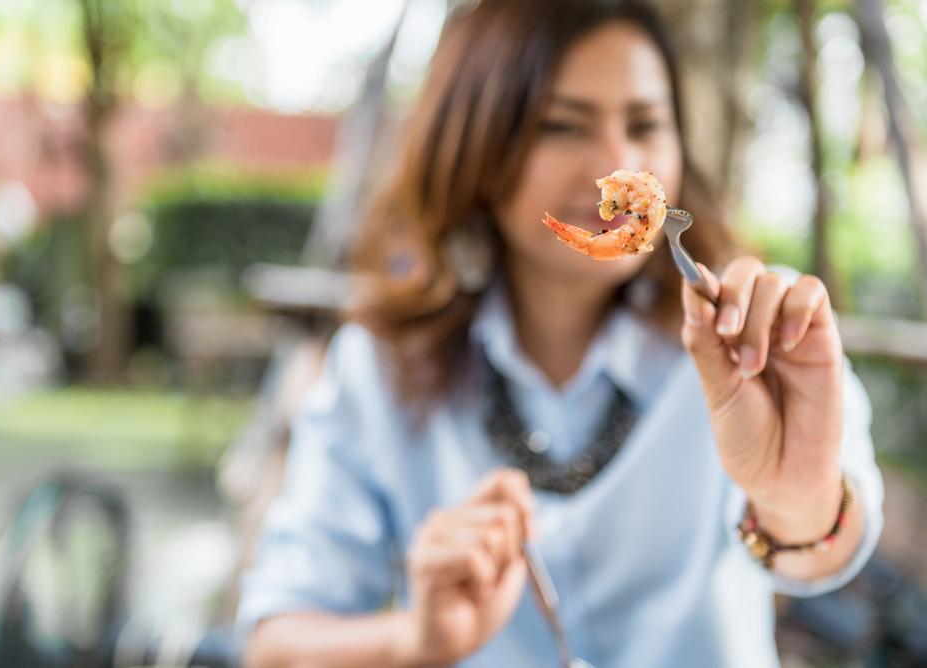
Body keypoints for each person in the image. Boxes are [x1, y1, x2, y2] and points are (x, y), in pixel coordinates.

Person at [237, 1, 883, 666]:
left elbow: (833, 548)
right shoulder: (379, 368)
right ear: (477, 149)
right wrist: (417, 640)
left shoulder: (755, 334)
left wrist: (793, 495)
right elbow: (276, 644)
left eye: (646, 123)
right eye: (561, 126)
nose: (613, 161)